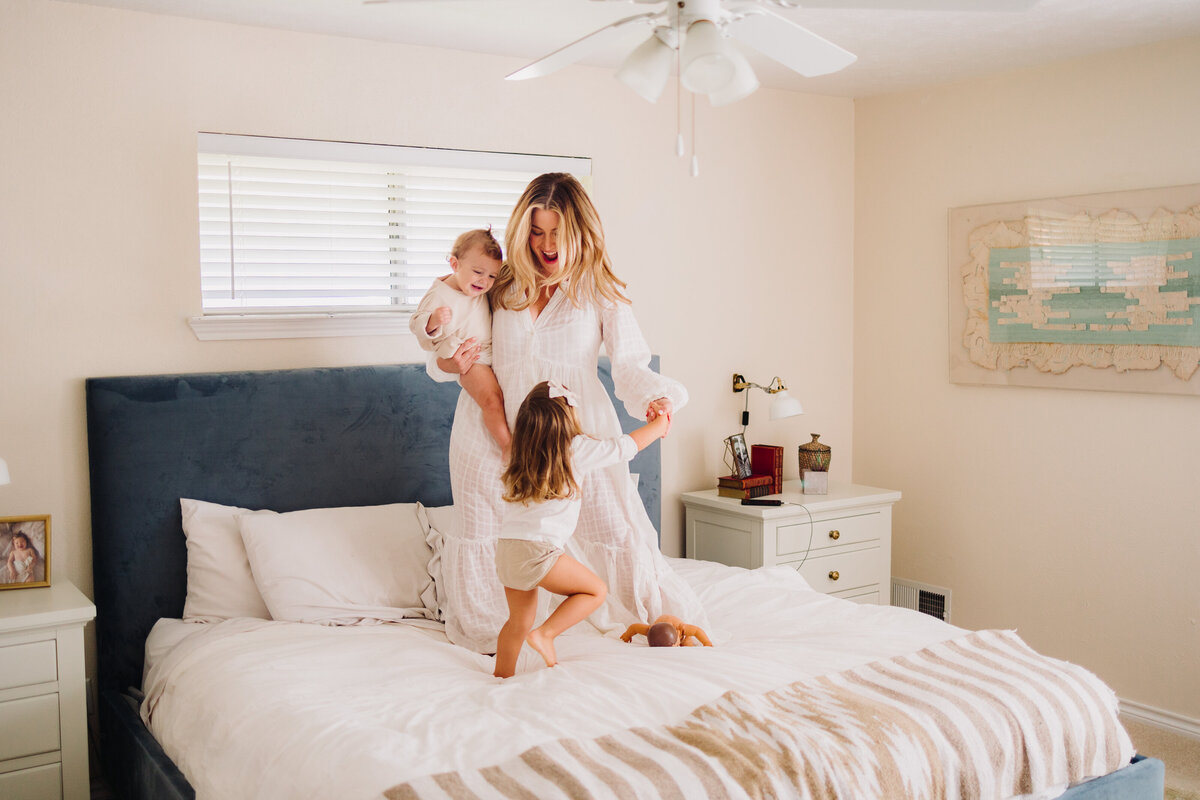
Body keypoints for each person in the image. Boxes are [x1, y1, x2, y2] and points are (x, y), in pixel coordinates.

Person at [429, 172, 708, 654]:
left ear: (579, 230)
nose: (546, 244)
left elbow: (630, 365)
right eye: (536, 231)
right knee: (488, 530)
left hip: (571, 427)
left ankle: (631, 610)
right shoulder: (501, 283)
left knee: (613, 525)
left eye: (557, 231)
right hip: (490, 431)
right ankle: (501, 631)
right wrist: (448, 361)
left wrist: (655, 401)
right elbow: (450, 348)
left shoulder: (598, 288)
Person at [493, 380, 671, 678]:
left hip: (508, 550)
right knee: (595, 591)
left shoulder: (519, 457)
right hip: (539, 551)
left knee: (517, 623)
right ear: (568, 419)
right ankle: (546, 634)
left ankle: (501, 677)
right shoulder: (574, 449)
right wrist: (660, 424)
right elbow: (624, 447)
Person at [409, 228, 510, 456]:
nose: (484, 281)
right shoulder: (439, 294)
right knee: (492, 400)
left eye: (492, 276)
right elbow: (416, 324)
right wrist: (432, 321)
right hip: (472, 358)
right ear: (454, 265)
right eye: (478, 272)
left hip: (489, 353)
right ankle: (508, 446)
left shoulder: (477, 287)